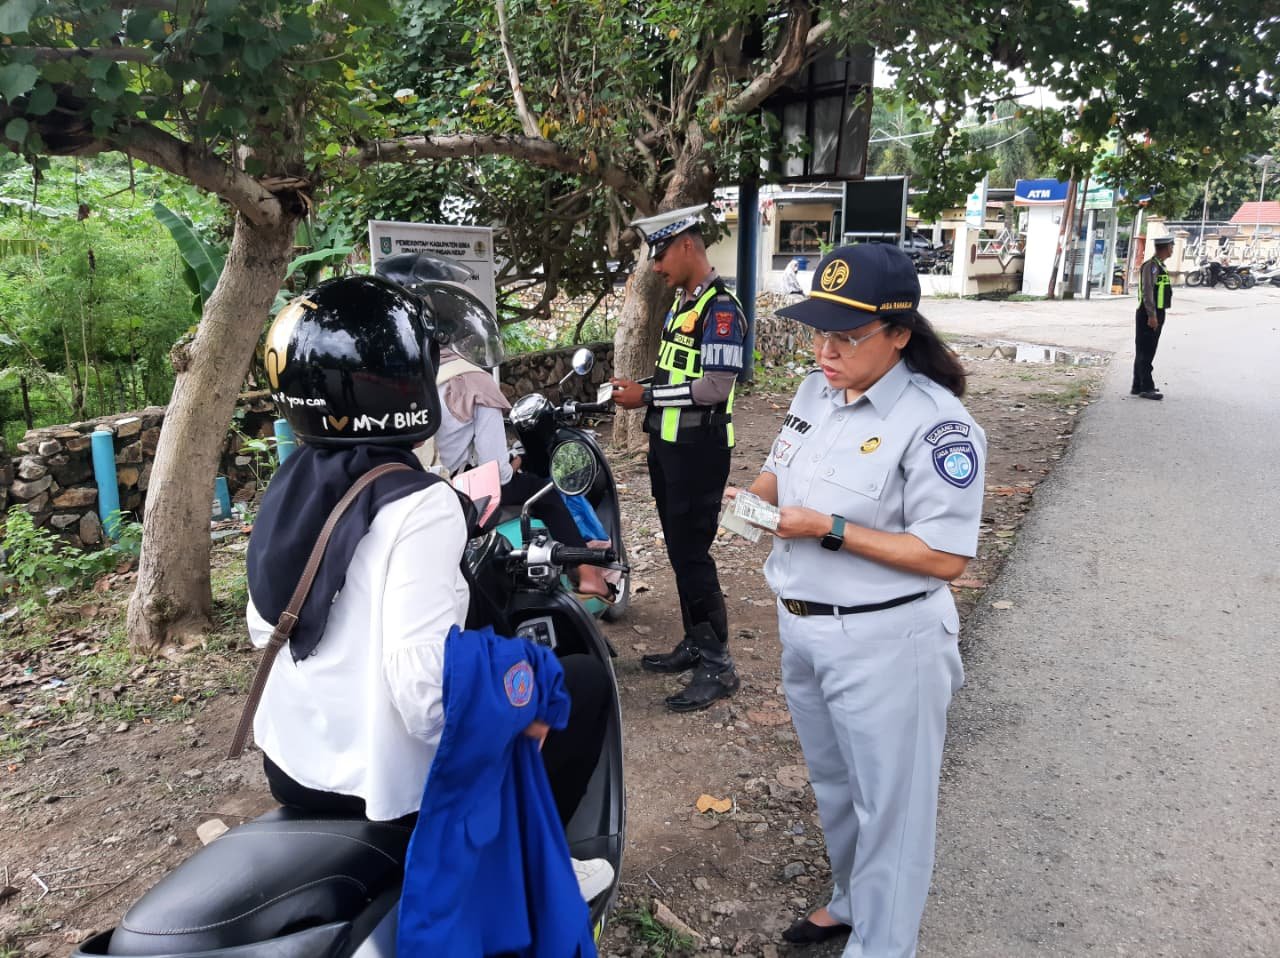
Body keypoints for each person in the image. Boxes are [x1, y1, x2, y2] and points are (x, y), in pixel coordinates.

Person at [246, 274, 613, 902]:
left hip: (293, 762)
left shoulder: (292, 483)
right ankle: (531, 872)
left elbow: (267, 626)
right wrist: (521, 711)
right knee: (578, 684)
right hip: (381, 782)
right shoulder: (420, 505)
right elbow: (424, 691)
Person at [730, 244, 985, 957]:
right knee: (837, 786)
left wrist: (831, 529)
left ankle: (883, 944)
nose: (824, 351)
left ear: (899, 334)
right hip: (805, 627)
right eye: (818, 332)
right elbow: (780, 470)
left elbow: (946, 556)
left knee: (894, 813)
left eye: (846, 337)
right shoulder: (815, 391)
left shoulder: (938, 426)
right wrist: (746, 505)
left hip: (887, 643)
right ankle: (850, 900)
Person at [610, 205, 744, 712]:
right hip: (667, 447)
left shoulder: (721, 310)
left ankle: (719, 665)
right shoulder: (682, 304)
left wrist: (644, 399)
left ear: (688, 245)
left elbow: (712, 389)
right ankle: (696, 642)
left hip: (700, 451)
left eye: (661, 255)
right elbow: (675, 379)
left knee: (694, 555)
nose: (657, 267)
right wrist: (641, 389)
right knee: (677, 549)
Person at [430, 345, 612, 599]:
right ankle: (588, 574)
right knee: (542, 491)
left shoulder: (414, 377)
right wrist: (514, 463)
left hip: (419, 489)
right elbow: (496, 470)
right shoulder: (474, 381)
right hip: (461, 492)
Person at [1133, 235, 1174, 400]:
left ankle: (1138, 385)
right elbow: (1148, 292)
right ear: (1165, 248)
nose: (1172, 249)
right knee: (1146, 350)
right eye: (1171, 246)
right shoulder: (1152, 266)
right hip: (1149, 312)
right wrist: (1152, 315)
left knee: (1144, 349)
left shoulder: (1158, 266)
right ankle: (1146, 387)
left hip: (1155, 311)